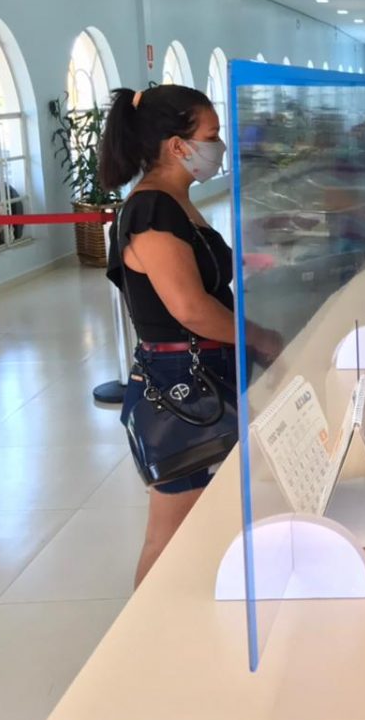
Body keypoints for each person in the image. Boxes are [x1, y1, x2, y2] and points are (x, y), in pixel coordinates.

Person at [100, 84, 282, 586]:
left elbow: (200, 270)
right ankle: (145, 630)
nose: (218, 145)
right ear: (178, 145)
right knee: (171, 535)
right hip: (183, 387)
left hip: (211, 371)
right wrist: (261, 337)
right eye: (211, 134)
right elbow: (191, 308)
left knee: (207, 521)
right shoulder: (152, 210)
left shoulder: (177, 202)